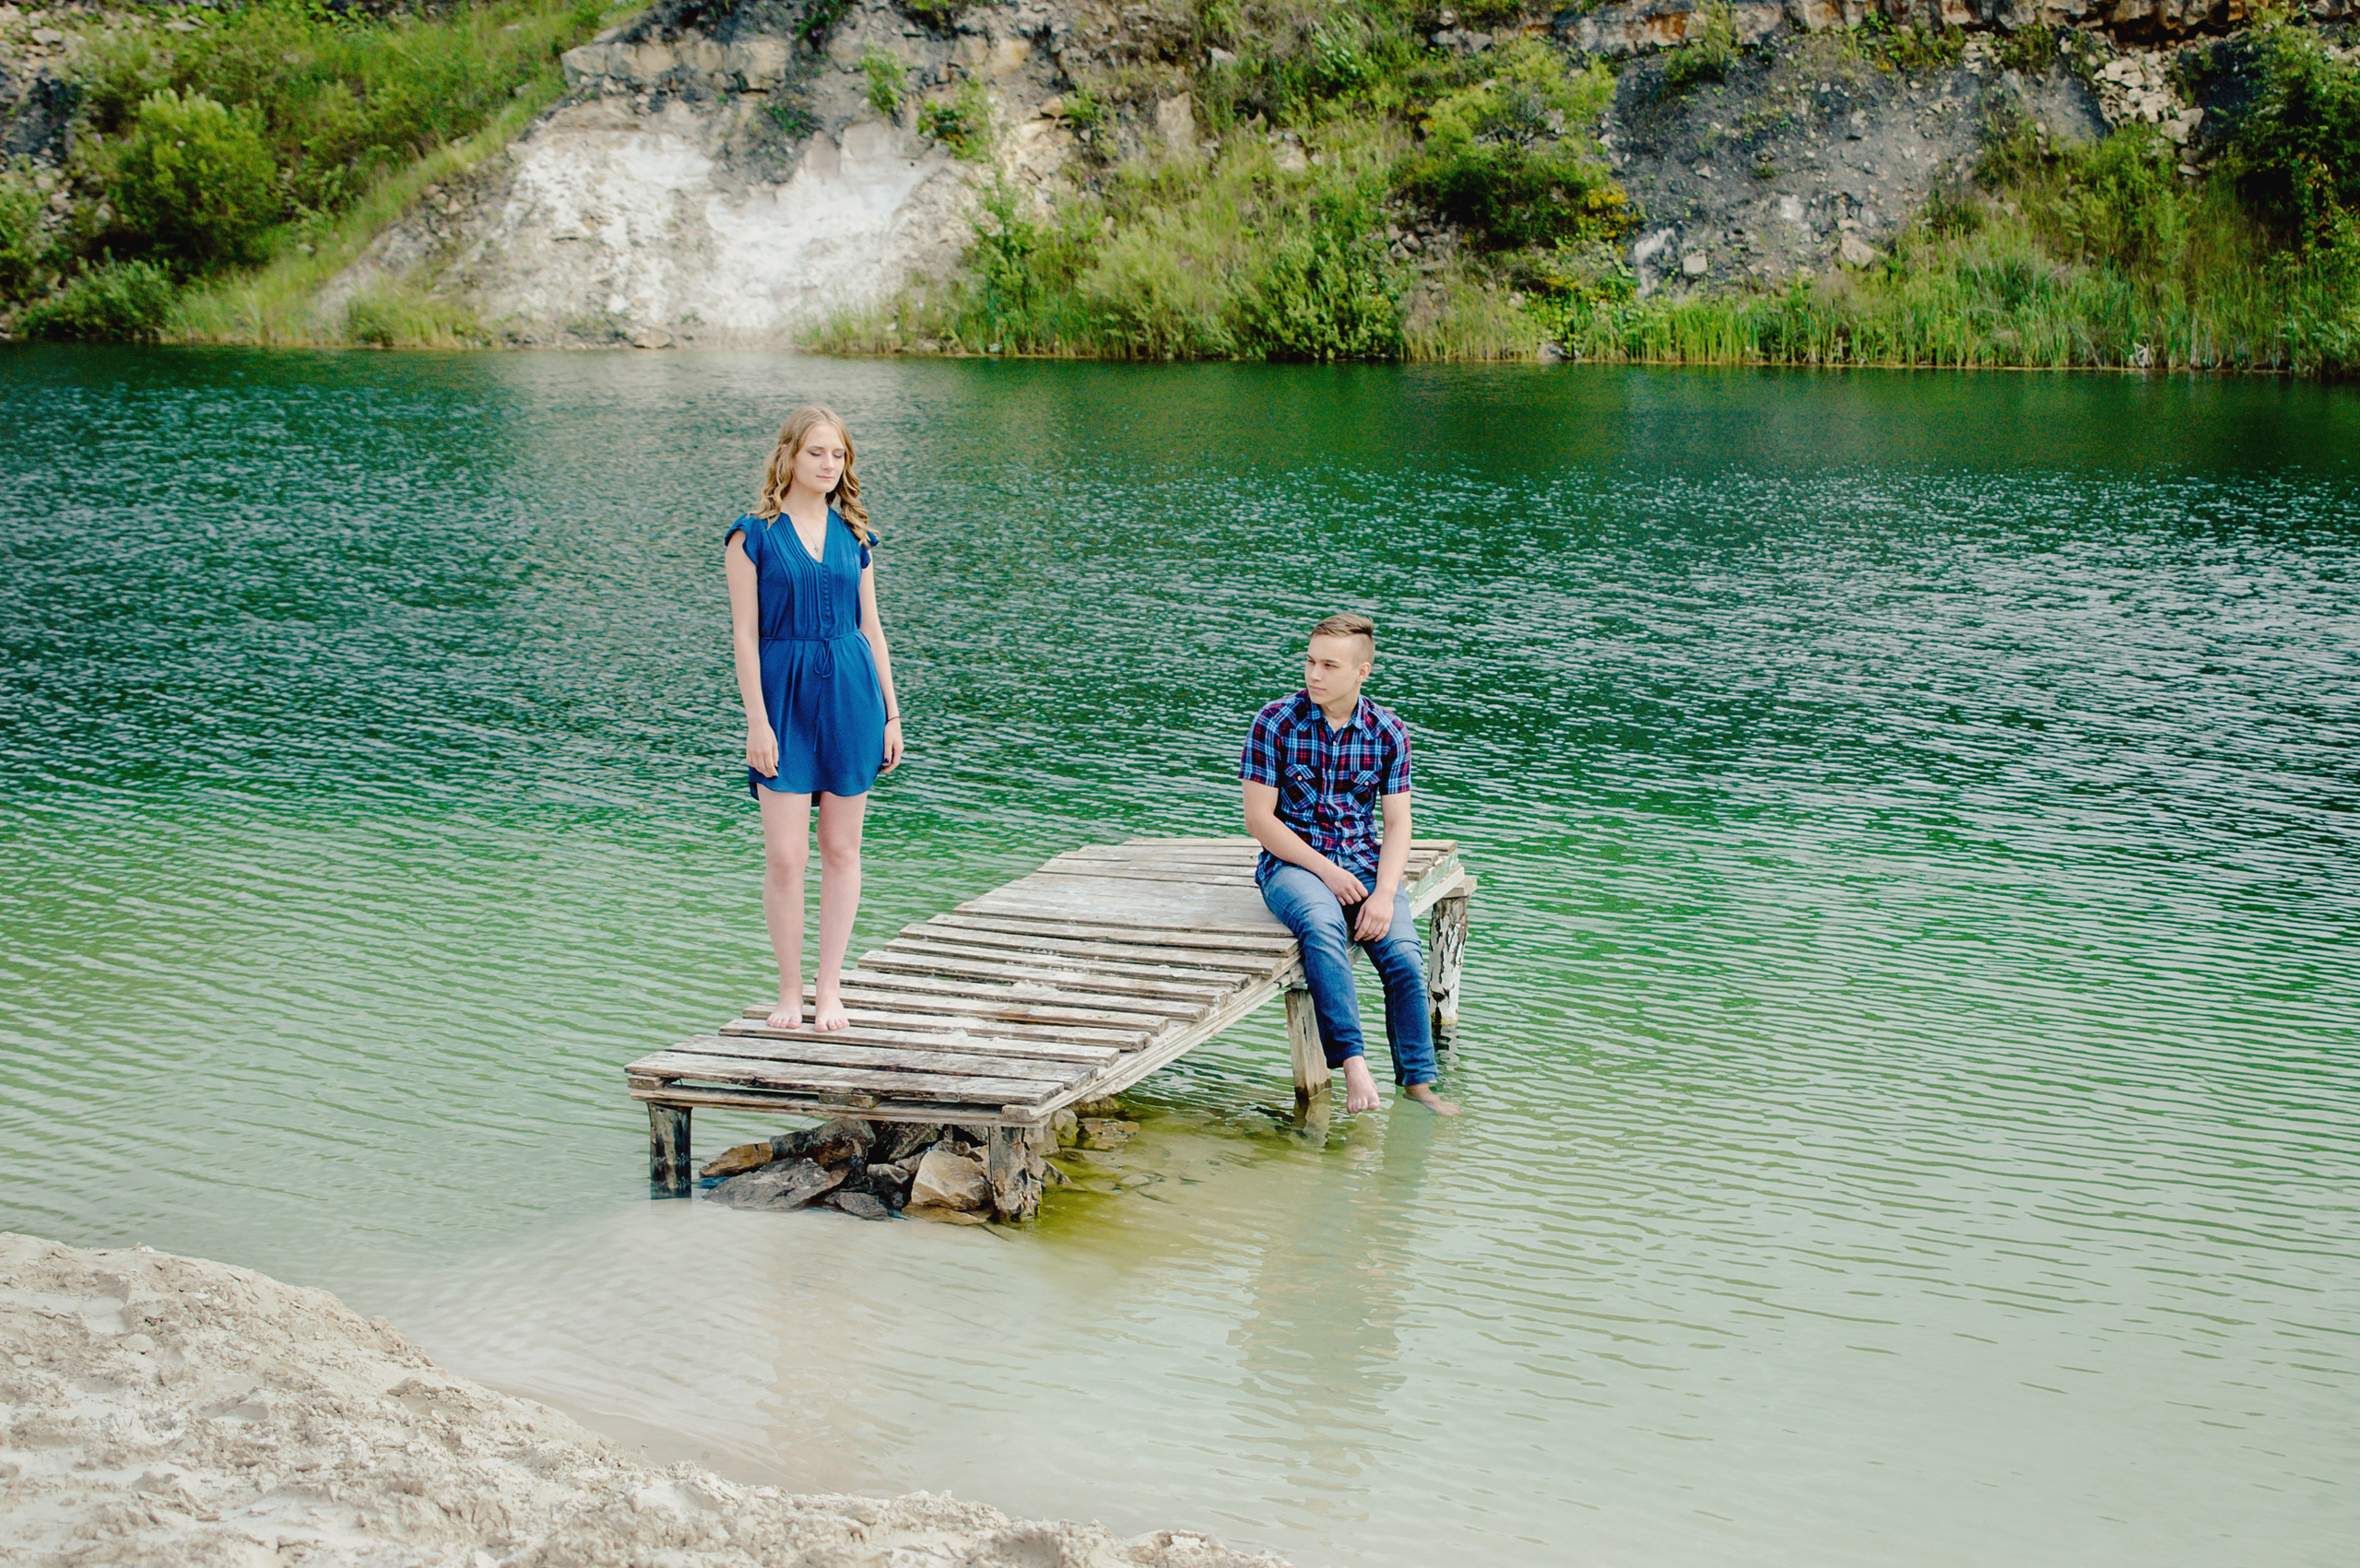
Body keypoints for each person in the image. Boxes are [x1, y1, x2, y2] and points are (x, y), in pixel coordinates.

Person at [725, 406, 903, 1032]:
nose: (829, 465)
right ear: (789, 457)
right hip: (783, 697)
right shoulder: (752, 536)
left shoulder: (856, 534)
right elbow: (745, 638)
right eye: (817, 453)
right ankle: (790, 989)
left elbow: (872, 629)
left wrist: (891, 711)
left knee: (841, 847)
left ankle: (830, 989)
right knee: (785, 855)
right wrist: (757, 721)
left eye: (838, 456)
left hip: (852, 694)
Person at [1240, 613, 1457, 1116]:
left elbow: (1398, 826)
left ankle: (1419, 1083)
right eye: (1310, 661)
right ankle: (1354, 1062)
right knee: (1321, 926)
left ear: (1362, 671)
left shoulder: (1388, 732)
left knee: (1403, 955)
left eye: (1329, 665)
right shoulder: (1274, 722)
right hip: (1290, 864)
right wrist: (1326, 871)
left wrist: (1384, 894)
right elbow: (1259, 821)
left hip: (1363, 861)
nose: (1314, 674)